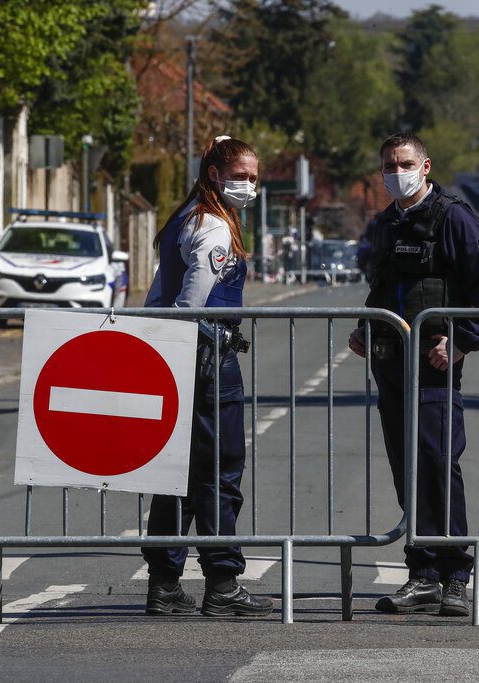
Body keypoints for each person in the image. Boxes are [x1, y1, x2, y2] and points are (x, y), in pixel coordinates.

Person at [348, 133, 479, 617]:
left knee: (438, 465)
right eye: (389, 165)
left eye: (405, 163)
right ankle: (421, 574)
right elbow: (382, 290)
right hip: (391, 365)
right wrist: (364, 328)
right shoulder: (383, 226)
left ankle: (455, 575)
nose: (397, 171)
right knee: (407, 470)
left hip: (434, 368)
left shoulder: (454, 219)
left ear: (426, 165)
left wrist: (462, 343)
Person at [141, 135, 273, 618]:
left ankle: (165, 582)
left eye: (255, 177)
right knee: (220, 471)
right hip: (208, 360)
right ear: (215, 174)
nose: (251, 185)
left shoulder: (187, 215)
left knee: (177, 474)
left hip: (184, 358)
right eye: (242, 175)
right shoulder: (214, 227)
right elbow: (186, 306)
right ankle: (221, 581)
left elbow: (158, 297)